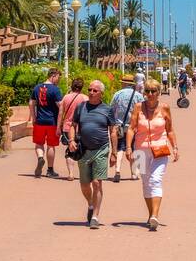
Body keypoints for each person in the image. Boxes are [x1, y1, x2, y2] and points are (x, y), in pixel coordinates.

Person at [126, 77, 179, 230]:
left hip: (160, 148)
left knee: (155, 180)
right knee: (145, 182)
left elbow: (169, 130)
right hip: (139, 150)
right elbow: (131, 128)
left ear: (158, 92)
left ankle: (155, 215)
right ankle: (151, 215)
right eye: (147, 91)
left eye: (153, 91)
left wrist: (175, 147)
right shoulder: (138, 107)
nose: (150, 94)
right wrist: (129, 148)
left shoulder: (165, 108)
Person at [68, 80, 117, 228]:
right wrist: (71, 140)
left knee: (97, 182)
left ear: (101, 93)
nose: (91, 92)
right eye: (89, 89)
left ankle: (95, 215)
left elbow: (113, 131)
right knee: (84, 185)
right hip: (83, 150)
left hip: (101, 149)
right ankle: (90, 203)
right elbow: (73, 126)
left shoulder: (107, 109)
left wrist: (114, 153)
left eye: (95, 91)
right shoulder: (81, 107)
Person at [29, 68, 63, 178]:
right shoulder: (55, 90)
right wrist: (59, 124)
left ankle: (40, 157)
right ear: (53, 76)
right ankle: (50, 170)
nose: (58, 80)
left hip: (39, 121)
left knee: (39, 143)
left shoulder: (37, 88)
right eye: (58, 77)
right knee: (51, 146)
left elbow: (31, 103)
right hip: (52, 122)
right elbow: (61, 107)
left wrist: (33, 117)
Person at [110, 73, 144, 181]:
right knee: (134, 148)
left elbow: (111, 109)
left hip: (119, 126)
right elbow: (142, 111)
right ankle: (134, 174)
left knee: (120, 147)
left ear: (124, 83)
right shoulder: (138, 95)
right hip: (134, 127)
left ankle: (117, 171)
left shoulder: (117, 94)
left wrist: (112, 124)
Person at [56, 76, 88, 182]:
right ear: (82, 87)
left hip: (67, 127)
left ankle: (70, 173)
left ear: (72, 86)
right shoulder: (85, 98)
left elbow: (60, 113)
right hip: (81, 127)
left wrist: (58, 127)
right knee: (83, 150)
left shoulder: (66, 97)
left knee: (70, 150)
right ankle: (84, 173)